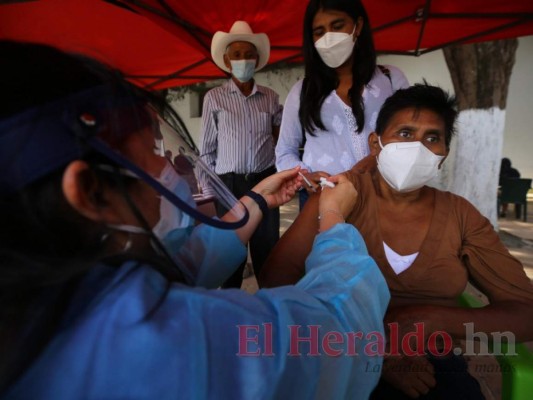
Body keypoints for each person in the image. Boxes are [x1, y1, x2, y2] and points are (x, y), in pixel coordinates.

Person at [0, 41, 391, 399]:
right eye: (154, 149)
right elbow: (338, 338)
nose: (166, 164)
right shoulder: (174, 339)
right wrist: (334, 217)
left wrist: (255, 201)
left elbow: (182, 265)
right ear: (92, 191)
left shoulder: (41, 299)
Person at [261, 83, 533, 399]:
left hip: (434, 365)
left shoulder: (460, 215)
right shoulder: (341, 197)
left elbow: (524, 312)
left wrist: (432, 320)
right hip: (339, 352)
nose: (417, 147)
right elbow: (275, 282)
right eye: (404, 133)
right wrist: (374, 351)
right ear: (376, 145)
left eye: (433, 138)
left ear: (443, 155)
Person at [275, 0, 409, 209]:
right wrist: (305, 177)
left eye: (337, 26)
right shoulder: (302, 91)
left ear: (358, 26)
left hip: (384, 199)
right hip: (322, 201)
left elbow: (408, 139)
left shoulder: (390, 79)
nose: (328, 38)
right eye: (319, 32)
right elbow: (284, 151)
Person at [200, 21, 283, 288]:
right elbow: (206, 150)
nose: (243, 60)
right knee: (231, 253)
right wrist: (209, 191)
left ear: (257, 59)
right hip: (229, 184)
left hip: (264, 181)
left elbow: (281, 136)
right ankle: (231, 314)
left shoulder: (270, 97)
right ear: (226, 60)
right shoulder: (214, 98)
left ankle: (270, 310)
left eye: (248, 54)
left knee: (267, 252)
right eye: (236, 55)